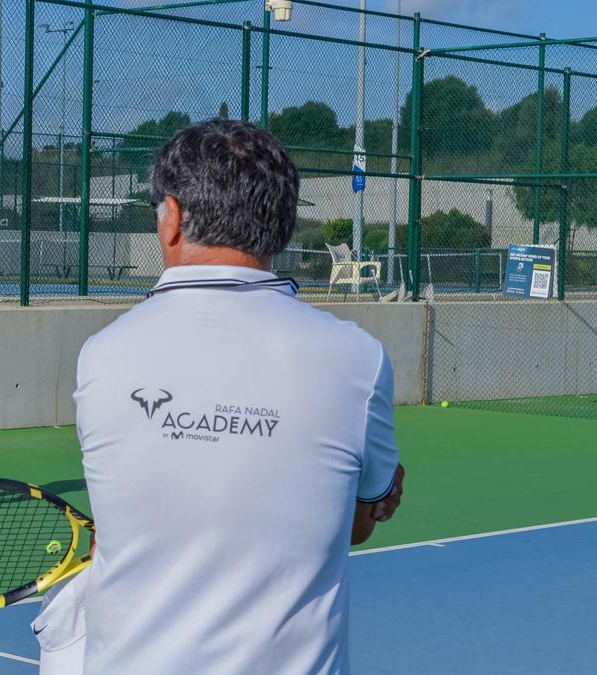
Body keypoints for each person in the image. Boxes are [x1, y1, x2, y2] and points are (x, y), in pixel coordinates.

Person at [51, 119, 405, 673]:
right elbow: (357, 524)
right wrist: (373, 499)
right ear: (282, 224)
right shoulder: (357, 358)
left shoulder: (102, 354)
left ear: (171, 218)